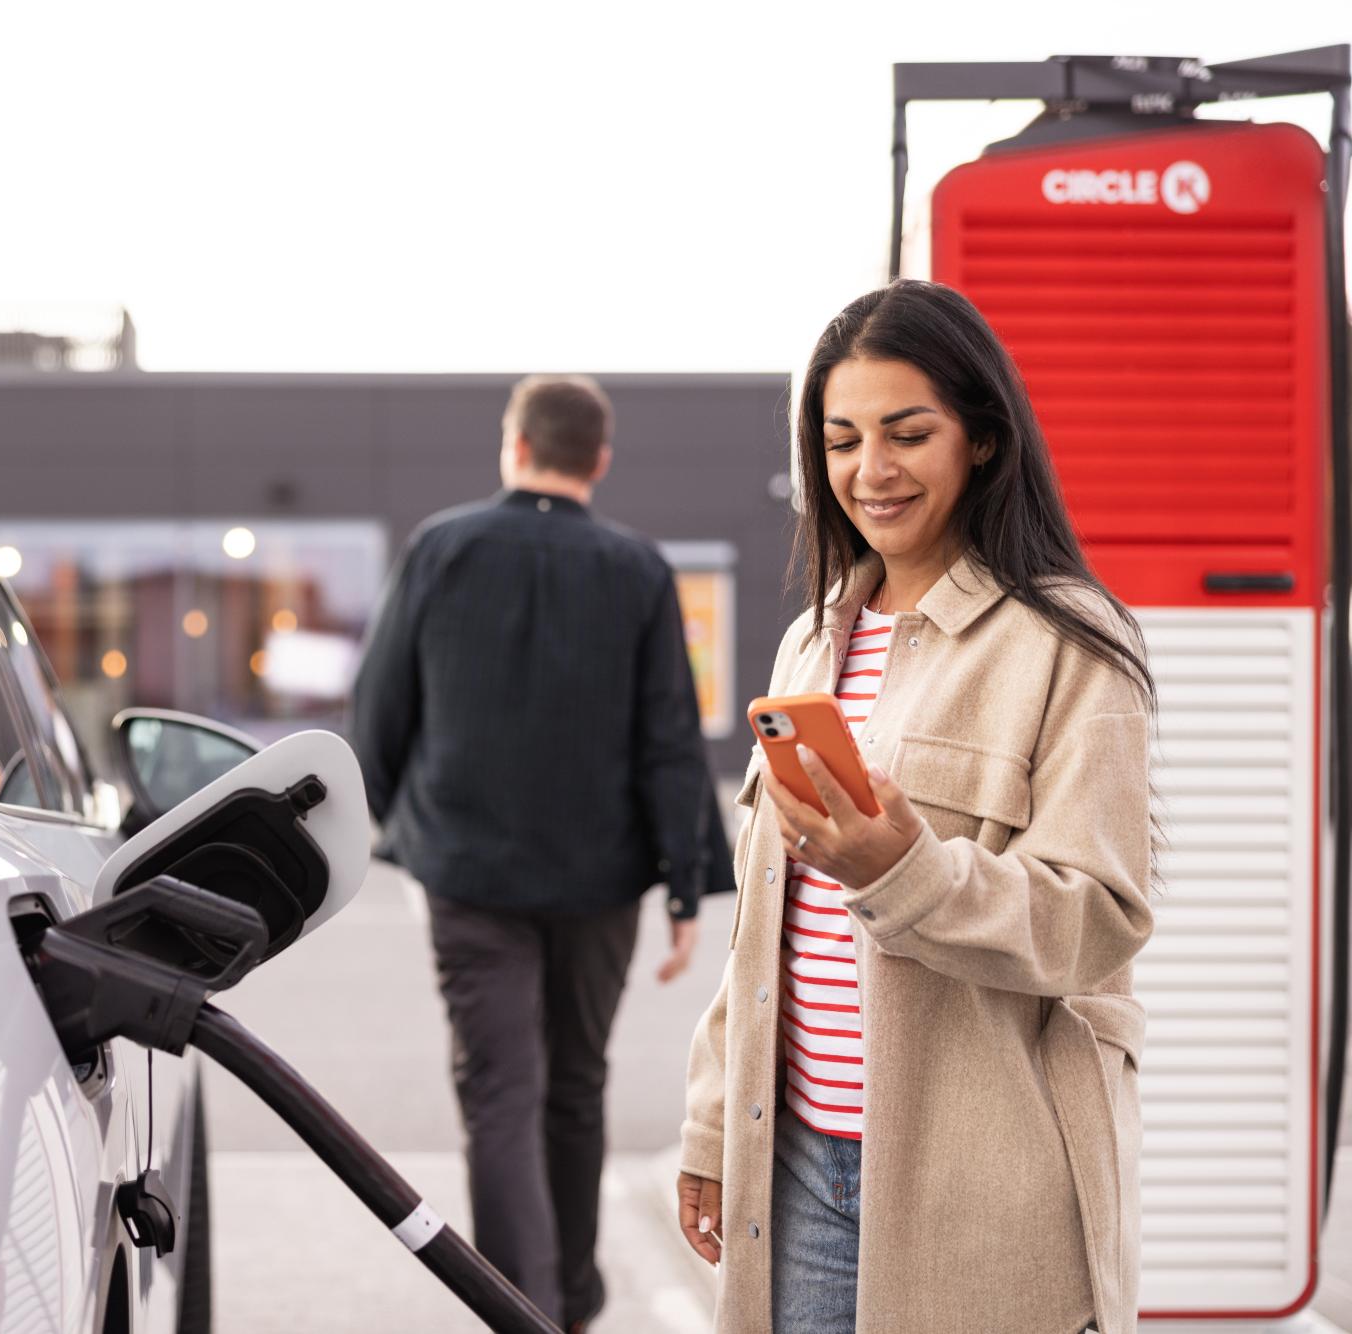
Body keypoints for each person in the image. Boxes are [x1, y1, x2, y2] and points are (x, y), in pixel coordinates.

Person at [675, 280, 1155, 1334]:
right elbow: (768, 928)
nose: (869, 470)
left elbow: (1095, 920)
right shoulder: (812, 638)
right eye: (840, 438)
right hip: (795, 1163)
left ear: (980, 437)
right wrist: (715, 1122)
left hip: (983, 1184)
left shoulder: (1068, 643)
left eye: (906, 432)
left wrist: (906, 870)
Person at [350, 373, 719, 1331]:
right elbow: (670, 736)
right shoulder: (638, 569)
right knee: (577, 1084)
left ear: (513, 446)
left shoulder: (442, 546)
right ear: (598, 459)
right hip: (602, 880)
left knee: (500, 1090)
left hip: (468, 875)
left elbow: (381, 710)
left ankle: (527, 1309)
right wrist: (685, 889)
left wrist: (350, 834)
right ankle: (576, 1301)